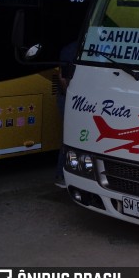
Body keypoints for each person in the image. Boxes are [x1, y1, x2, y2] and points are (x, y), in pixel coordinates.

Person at [54, 41, 77, 188]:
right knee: (69, 139)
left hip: (71, 98)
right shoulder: (72, 49)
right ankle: (61, 175)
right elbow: (63, 78)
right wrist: (73, 97)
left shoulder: (70, 48)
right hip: (69, 98)